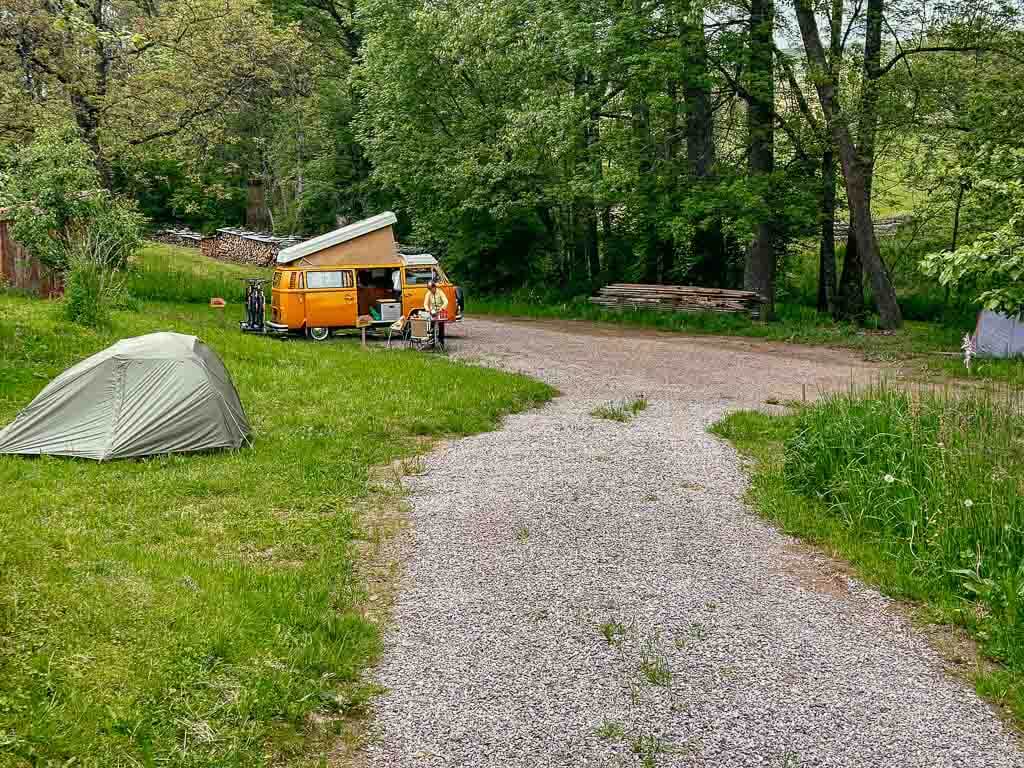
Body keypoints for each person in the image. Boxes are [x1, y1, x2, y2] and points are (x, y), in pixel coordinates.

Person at [423, 280, 449, 347]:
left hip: (440, 310)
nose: (430, 290)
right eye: (429, 289)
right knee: (431, 325)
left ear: (434, 287)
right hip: (433, 311)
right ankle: (432, 342)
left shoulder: (440, 292)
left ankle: (441, 342)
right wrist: (428, 309)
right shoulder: (428, 293)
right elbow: (425, 304)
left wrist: (442, 308)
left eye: (431, 289)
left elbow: (446, 301)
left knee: (441, 325)